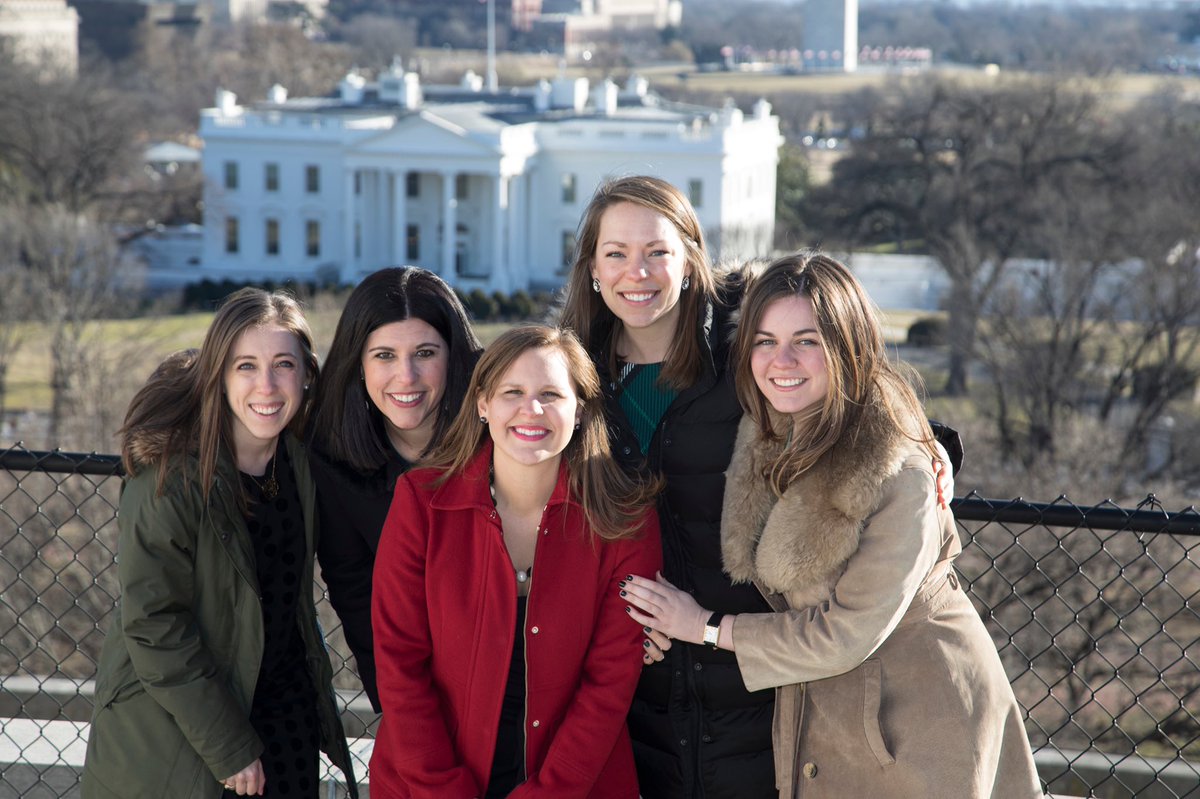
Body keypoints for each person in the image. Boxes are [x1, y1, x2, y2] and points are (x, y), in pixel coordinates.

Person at [558, 175, 962, 798]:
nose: (637, 272)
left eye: (657, 251)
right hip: (642, 694)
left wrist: (932, 448)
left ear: (691, 259)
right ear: (591, 268)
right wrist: (614, 613)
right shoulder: (568, 382)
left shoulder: (751, 348)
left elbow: (860, 399)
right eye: (616, 253)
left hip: (766, 683)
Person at [621, 253, 1041, 798]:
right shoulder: (769, 430)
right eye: (765, 341)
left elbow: (845, 634)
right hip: (832, 724)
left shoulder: (902, 471)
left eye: (807, 340)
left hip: (922, 724)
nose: (782, 360)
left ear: (848, 346)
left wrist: (703, 626)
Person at [81, 288, 357, 798]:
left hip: (284, 724)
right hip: (184, 732)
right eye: (245, 366)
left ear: (306, 374)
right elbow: (154, 626)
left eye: (283, 365)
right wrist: (229, 745)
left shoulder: (300, 463)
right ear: (218, 376)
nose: (266, 385)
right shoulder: (172, 479)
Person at [369, 325, 663, 798]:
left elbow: (609, 684)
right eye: (513, 393)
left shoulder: (626, 522)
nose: (532, 409)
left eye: (551, 394)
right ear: (483, 404)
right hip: (426, 785)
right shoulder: (421, 504)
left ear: (580, 410)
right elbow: (399, 664)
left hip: (575, 786)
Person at [307, 266, 482, 711]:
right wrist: (402, 714)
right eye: (384, 355)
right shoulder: (331, 458)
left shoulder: (501, 432)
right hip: (413, 688)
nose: (406, 376)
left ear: (455, 356)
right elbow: (358, 599)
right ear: (358, 363)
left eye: (425, 353)